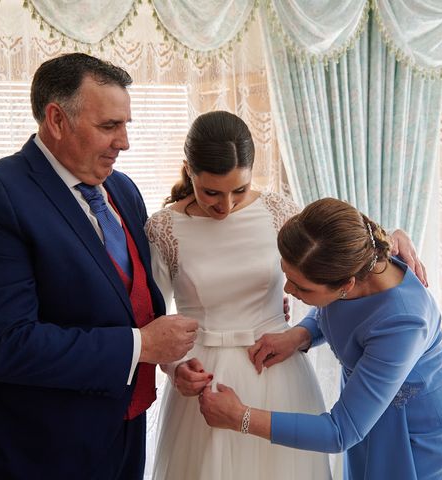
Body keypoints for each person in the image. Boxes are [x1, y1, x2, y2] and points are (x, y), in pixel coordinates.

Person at [0, 53, 198, 480]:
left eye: (125, 125)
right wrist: (142, 347)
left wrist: (172, 360)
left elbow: (133, 299)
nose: (124, 142)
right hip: (45, 447)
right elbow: (6, 345)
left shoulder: (122, 187)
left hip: (125, 428)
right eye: (108, 126)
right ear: (57, 120)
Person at [145, 112, 426, 480]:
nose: (225, 206)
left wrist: (396, 236)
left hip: (277, 372)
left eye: (239, 190)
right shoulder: (164, 228)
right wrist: (175, 368)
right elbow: (155, 323)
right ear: (189, 172)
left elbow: (344, 255)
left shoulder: (280, 211)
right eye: (211, 192)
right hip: (204, 382)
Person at [199, 198, 442, 480]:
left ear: (346, 284)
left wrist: (240, 417)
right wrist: (300, 335)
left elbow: (339, 432)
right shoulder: (349, 255)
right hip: (366, 411)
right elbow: (336, 310)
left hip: (417, 432)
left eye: (301, 287)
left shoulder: (403, 324)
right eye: (286, 275)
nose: (289, 290)